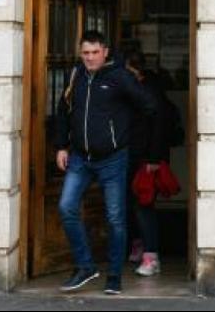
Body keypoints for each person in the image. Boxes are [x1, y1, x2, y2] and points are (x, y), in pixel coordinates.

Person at [52, 29, 157, 296]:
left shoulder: (120, 77)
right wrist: (61, 145)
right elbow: (63, 111)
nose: (90, 58)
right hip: (79, 157)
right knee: (66, 207)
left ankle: (114, 275)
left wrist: (125, 138)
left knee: (115, 218)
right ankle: (86, 267)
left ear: (105, 52)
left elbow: (149, 107)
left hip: (113, 159)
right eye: (85, 53)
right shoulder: (75, 75)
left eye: (95, 52)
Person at [123, 48, 173, 277]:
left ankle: (151, 256)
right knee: (133, 204)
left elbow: (160, 125)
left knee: (143, 206)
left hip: (146, 158)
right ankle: (139, 246)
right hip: (132, 154)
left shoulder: (150, 91)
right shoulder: (131, 90)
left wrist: (154, 158)